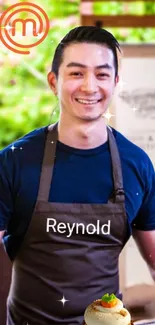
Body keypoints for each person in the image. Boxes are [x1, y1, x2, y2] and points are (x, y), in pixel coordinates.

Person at [0, 25, 155, 325]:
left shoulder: (136, 164)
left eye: (101, 74)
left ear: (115, 82)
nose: (89, 86)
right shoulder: (14, 163)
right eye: (76, 73)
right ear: (53, 81)